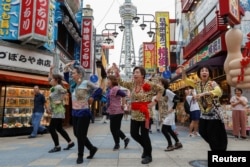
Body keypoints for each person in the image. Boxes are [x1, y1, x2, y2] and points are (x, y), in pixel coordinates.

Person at [112, 64, 163, 164]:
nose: (135, 74)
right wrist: (117, 72)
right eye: (134, 72)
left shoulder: (149, 84)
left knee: (145, 135)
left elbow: (161, 89)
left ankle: (148, 155)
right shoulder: (132, 84)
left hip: (145, 114)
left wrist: (154, 101)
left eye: (137, 72)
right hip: (135, 113)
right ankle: (146, 147)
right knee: (133, 134)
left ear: (143, 75)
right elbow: (121, 82)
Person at [180, 65, 227, 151]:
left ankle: (217, 149)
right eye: (202, 71)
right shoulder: (196, 84)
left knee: (213, 134)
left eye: (206, 71)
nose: (204, 72)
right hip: (204, 113)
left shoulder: (212, 83)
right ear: (199, 74)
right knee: (202, 131)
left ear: (209, 73)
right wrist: (183, 70)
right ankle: (217, 146)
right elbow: (185, 79)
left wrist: (204, 94)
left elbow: (219, 92)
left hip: (214, 114)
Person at [64, 61, 103, 164]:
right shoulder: (73, 85)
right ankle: (92, 148)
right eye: (72, 73)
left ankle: (80, 155)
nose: (72, 75)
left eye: (74, 73)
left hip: (84, 113)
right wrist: (67, 68)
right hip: (75, 113)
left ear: (80, 74)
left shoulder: (86, 83)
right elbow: (66, 77)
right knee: (77, 134)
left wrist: (92, 97)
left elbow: (99, 89)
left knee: (81, 134)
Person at [47, 66, 74, 153]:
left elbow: (65, 91)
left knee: (51, 128)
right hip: (56, 110)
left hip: (58, 111)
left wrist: (60, 100)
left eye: (52, 80)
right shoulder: (54, 87)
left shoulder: (58, 87)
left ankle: (57, 146)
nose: (50, 81)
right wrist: (50, 70)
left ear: (56, 80)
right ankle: (70, 142)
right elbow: (49, 78)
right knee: (59, 128)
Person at [106, 75, 130, 151]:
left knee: (114, 129)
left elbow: (124, 95)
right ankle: (125, 139)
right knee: (115, 129)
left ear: (112, 81)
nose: (107, 81)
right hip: (113, 111)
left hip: (117, 111)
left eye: (108, 80)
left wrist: (123, 104)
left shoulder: (115, 88)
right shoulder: (111, 89)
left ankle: (117, 144)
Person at [158, 78, 182, 151]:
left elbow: (177, 98)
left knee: (163, 130)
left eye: (159, 82)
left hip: (170, 114)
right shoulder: (161, 92)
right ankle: (178, 143)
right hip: (166, 114)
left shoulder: (167, 91)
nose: (157, 83)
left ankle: (170, 145)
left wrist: (173, 108)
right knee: (169, 129)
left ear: (163, 84)